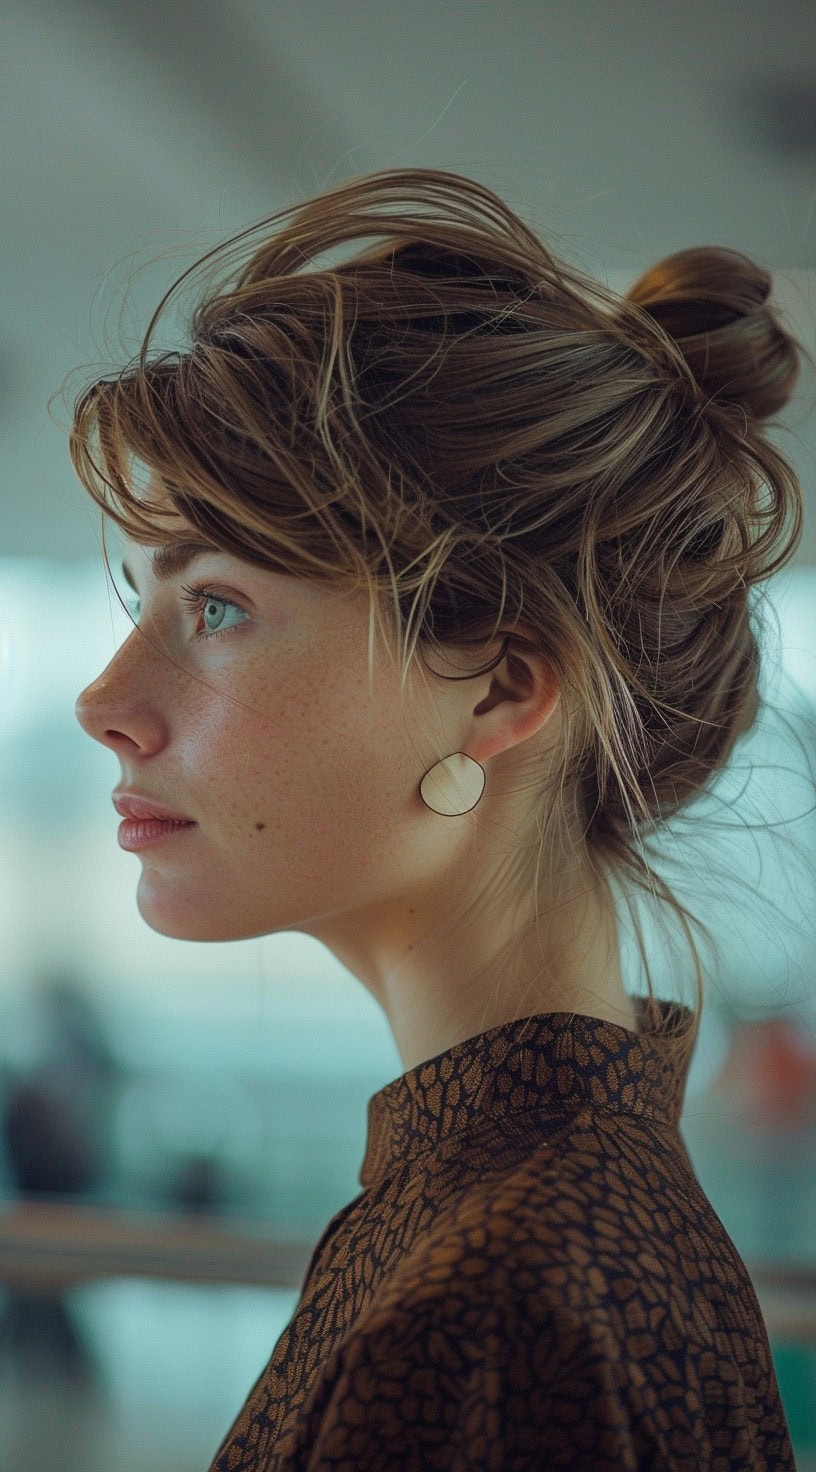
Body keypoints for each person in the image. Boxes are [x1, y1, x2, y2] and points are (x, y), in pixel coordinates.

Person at [69, 167, 809, 1470]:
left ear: (500, 692)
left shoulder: (490, 1300)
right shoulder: (538, 1202)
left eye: (217, 607)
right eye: (141, 603)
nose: (106, 703)